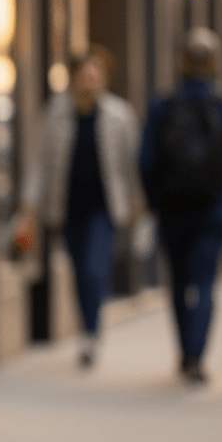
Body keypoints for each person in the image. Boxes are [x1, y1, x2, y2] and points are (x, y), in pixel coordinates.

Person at [17, 49, 140, 368]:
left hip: (104, 207)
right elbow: (39, 164)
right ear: (73, 78)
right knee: (77, 271)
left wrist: (139, 204)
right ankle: (88, 327)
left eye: (95, 75)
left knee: (93, 268)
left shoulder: (119, 114)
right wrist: (29, 206)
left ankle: (90, 332)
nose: (89, 81)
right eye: (84, 75)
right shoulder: (55, 113)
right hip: (67, 207)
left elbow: (131, 165)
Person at [139, 27, 222, 384]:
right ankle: (196, 355)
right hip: (214, 211)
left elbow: (145, 161)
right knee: (205, 283)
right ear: (214, 63)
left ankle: (184, 351)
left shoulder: (163, 106)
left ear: (181, 62)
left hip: (173, 210)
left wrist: (153, 201)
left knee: (178, 282)